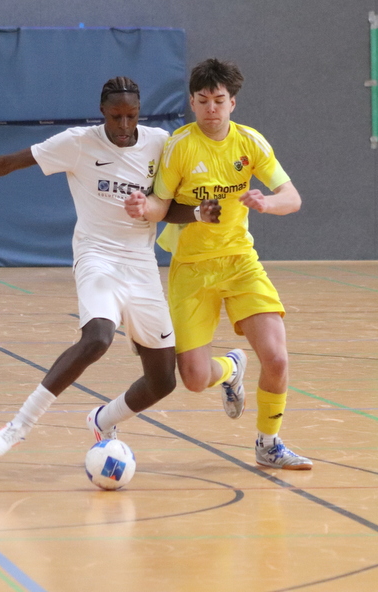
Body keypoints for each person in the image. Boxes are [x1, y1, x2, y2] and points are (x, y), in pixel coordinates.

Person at [0, 77, 203, 456]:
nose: (124, 125)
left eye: (132, 116)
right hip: (97, 256)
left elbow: (169, 208)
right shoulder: (78, 143)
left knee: (162, 382)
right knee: (98, 338)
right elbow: (8, 163)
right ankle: (18, 426)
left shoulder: (160, 143)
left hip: (141, 264)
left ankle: (102, 419)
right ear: (102, 112)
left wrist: (201, 212)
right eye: (116, 116)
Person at [125, 58, 312, 470]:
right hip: (192, 268)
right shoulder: (179, 146)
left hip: (240, 261)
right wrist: (143, 207)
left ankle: (269, 443)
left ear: (232, 103)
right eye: (204, 100)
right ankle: (230, 368)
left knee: (277, 358)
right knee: (193, 379)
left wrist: (266, 203)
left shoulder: (250, 143)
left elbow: (292, 198)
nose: (212, 108)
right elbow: (160, 205)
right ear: (192, 102)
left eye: (219, 100)